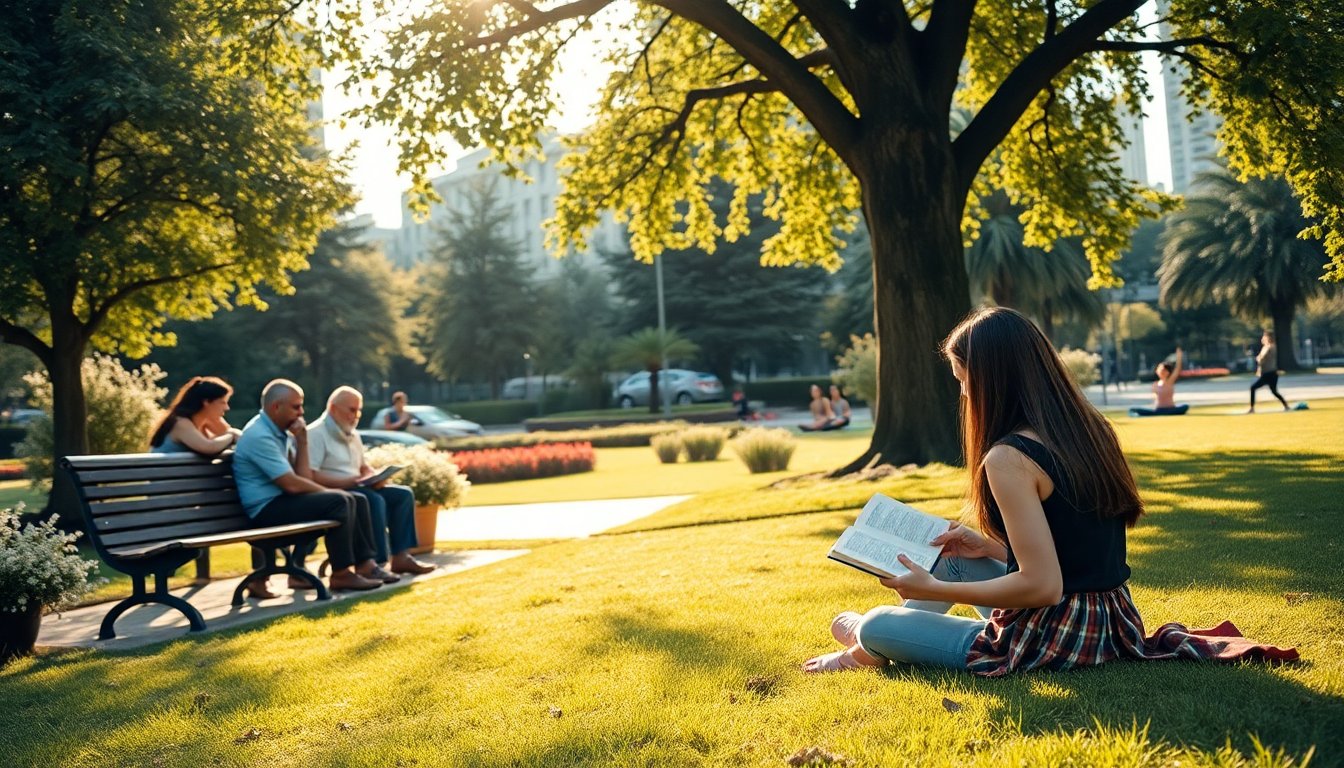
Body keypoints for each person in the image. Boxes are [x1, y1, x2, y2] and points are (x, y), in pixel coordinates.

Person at [802, 307, 1297, 676]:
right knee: (948, 559)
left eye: (964, 380)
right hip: (1112, 619)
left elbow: (1043, 587)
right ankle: (868, 649)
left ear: (992, 378)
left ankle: (868, 641)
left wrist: (934, 592)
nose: (964, 394)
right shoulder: (1088, 428)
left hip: (1057, 637)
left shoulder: (1008, 458)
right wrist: (987, 547)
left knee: (876, 621)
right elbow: (1074, 552)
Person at [232, 379, 387, 592]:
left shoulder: (281, 433)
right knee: (340, 500)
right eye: (296, 407)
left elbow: (303, 477)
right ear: (276, 407)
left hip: (281, 502)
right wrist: (331, 491)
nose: (301, 412)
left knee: (357, 499)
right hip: (264, 511)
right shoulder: (260, 435)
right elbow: (292, 484)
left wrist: (302, 440)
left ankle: (365, 565)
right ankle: (341, 574)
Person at [308, 386, 435, 576]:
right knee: (374, 500)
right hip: (336, 493)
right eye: (352, 410)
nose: (356, 416)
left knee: (402, 495)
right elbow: (311, 476)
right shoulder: (314, 434)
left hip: (358, 486)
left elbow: (363, 466)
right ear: (333, 408)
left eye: (359, 410)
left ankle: (401, 557)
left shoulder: (352, 433)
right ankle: (376, 563)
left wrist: (373, 476)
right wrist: (351, 480)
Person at [148, 376, 241, 455]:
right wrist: (231, 436)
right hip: (166, 471)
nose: (227, 408)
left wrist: (233, 433)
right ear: (206, 402)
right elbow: (208, 448)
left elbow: (231, 435)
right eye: (223, 402)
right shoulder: (180, 423)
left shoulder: (207, 421)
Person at [1129, 347, 1189, 417]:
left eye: (1163, 370)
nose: (1161, 371)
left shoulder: (1170, 381)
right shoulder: (1155, 384)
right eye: (1160, 369)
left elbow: (1177, 369)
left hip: (1171, 409)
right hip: (1158, 410)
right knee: (1133, 409)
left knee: (1185, 406)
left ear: (1168, 372)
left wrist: (1179, 357)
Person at [1248, 330, 1290, 413]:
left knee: (1253, 388)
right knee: (1274, 391)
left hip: (1269, 373)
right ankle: (1286, 406)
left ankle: (1252, 408)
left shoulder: (1270, 347)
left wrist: (1258, 359)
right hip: (1269, 373)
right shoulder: (1267, 347)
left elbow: (1262, 359)